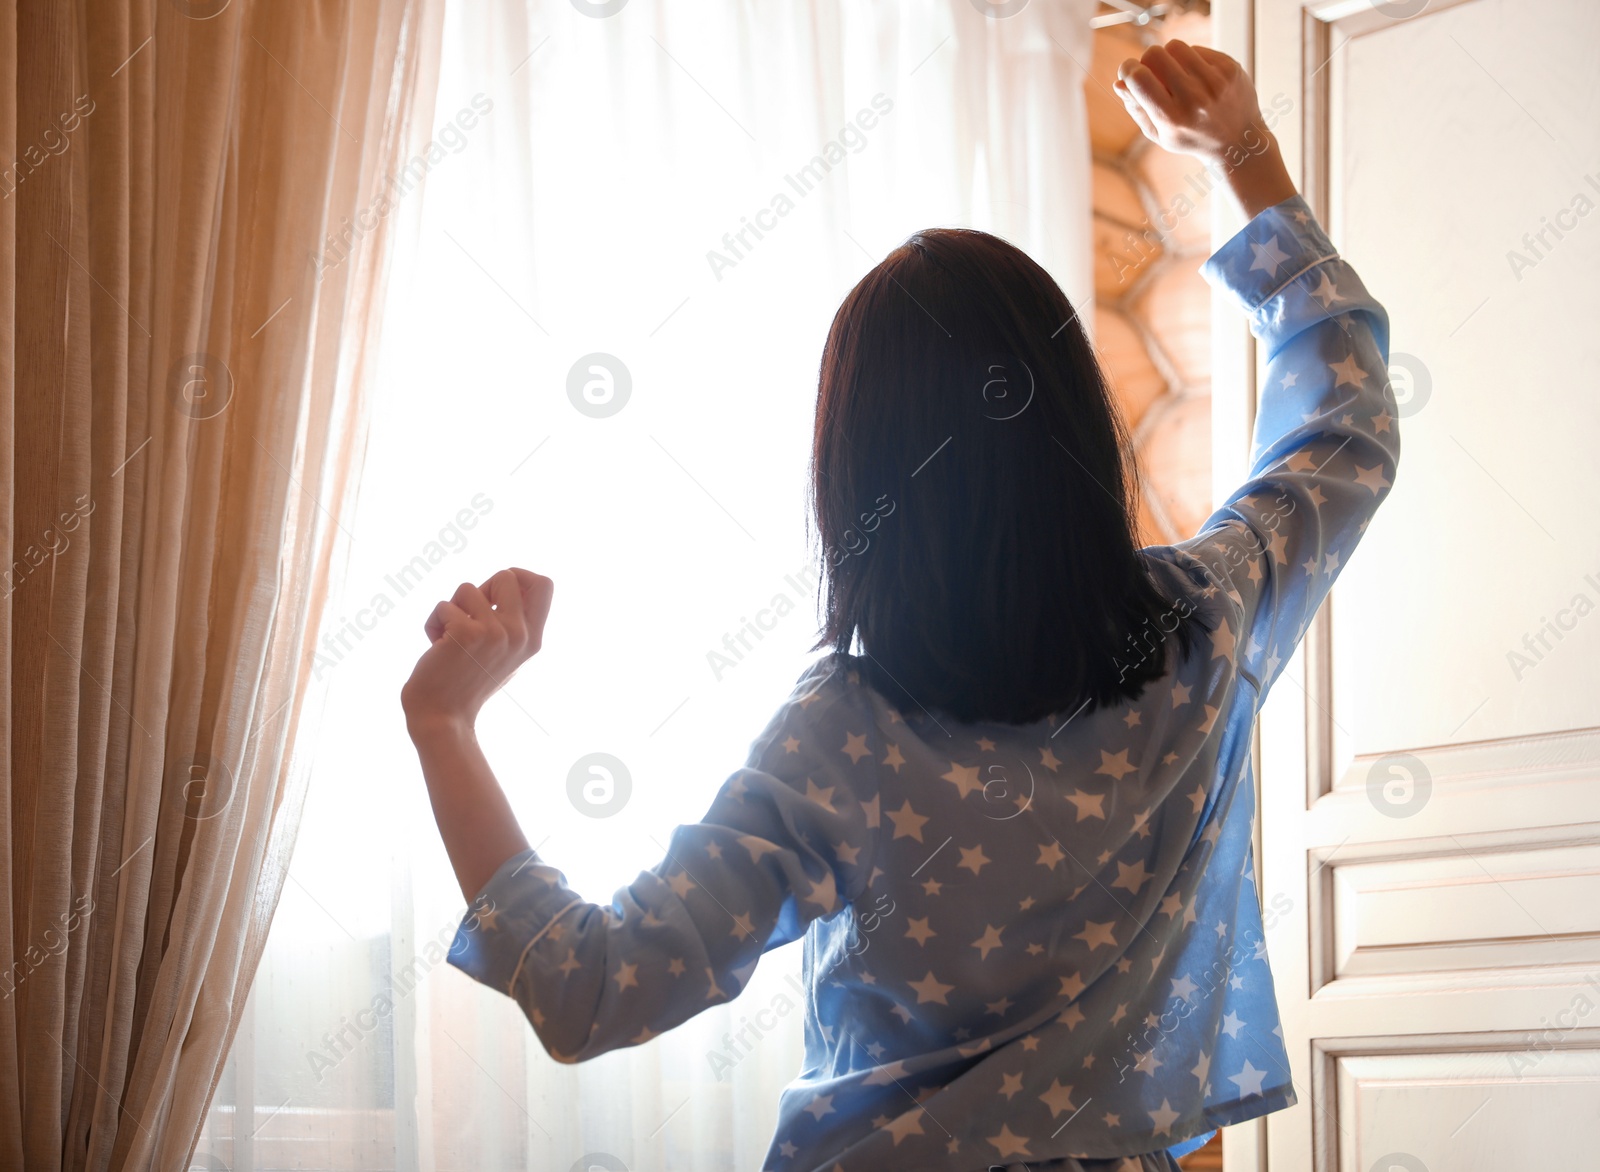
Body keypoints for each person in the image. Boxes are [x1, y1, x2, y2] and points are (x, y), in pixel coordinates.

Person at [399, 39, 1398, 1172]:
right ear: (1075, 420)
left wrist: (444, 727)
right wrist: (1243, 153)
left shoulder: (842, 732)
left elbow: (590, 990)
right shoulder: (1204, 626)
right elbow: (1348, 423)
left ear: (855, 483)